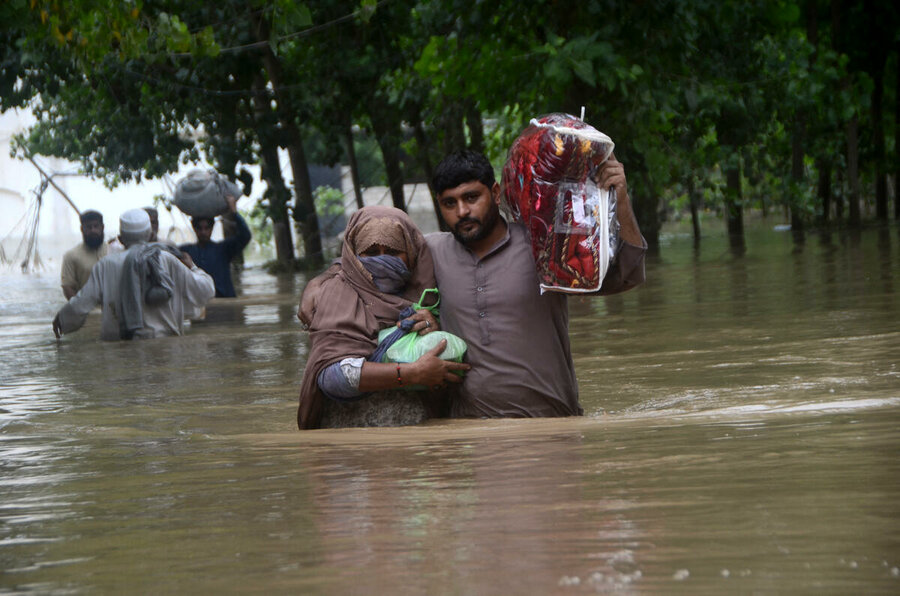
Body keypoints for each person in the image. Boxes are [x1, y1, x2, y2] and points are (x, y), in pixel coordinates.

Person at [419, 150, 646, 418]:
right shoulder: (431, 253)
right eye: (449, 203)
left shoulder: (544, 246)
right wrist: (417, 318)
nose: (462, 212)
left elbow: (627, 275)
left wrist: (620, 198)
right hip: (470, 432)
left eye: (471, 197)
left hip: (552, 425)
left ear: (495, 192)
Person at [296, 205, 470, 429]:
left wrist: (430, 329)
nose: (382, 261)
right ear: (355, 256)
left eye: (392, 251)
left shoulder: (427, 292)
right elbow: (332, 377)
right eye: (371, 253)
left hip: (421, 437)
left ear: (411, 252)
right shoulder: (338, 292)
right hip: (355, 439)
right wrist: (410, 374)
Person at [52, 209, 215, 341]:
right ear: (150, 234)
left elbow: (82, 302)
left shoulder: (106, 265)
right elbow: (205, 291)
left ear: (121, 239)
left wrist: (63, 319)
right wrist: (192, 267)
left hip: (119, 348)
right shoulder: (167, 259)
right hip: (165, 346)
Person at [178, 195, 251, 297]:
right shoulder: (186, 252)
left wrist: (234, 212)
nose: (203, 232)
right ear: (194, 229)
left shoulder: (224, 249)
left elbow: (245, 236)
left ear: (212, 228)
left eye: (207, 228)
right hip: (200, 303)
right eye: (199, 228)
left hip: (224, 302)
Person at [61, 210, 108, 299]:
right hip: (87, 311)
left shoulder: (114, 250)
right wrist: (80, 309)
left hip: (113, 311)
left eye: (96, 226)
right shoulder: (71, 256)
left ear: (102, 227)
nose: (93, 230)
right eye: (89, 227)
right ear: (82, 229)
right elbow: (68, 287)